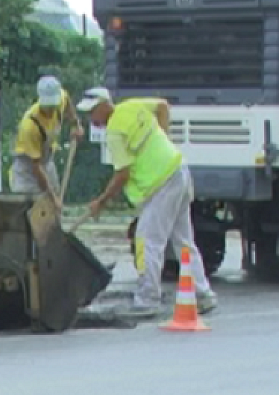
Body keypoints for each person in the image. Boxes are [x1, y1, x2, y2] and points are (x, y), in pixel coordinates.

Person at [76, 87, 217, 319]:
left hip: (161, 183)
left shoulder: (114, 132)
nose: (91, 119)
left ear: (104, 106)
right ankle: (203, 295)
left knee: (147, 240)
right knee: (184, 242)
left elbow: (122, 174)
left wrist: (100, 202)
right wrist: (163, 139)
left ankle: (147, 299)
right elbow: (162, 106)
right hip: (178, 170)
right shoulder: (132, 106)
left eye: (92, 113)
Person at [9, 75, 84, 209]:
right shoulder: (30, 125)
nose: (50, 110)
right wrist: (52, 198)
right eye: (47, 106)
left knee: (53, 210)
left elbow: (67, 101)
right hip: (27, 169)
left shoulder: (60, 99)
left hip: (47, 161)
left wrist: (75, 124)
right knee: (28, 209)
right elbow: (36, 167)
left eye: (52, 106)